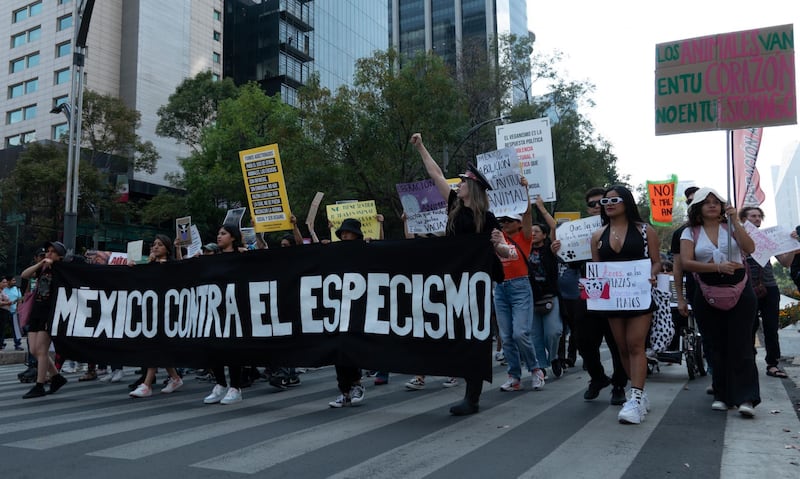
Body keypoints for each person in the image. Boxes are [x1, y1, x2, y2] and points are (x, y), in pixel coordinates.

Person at [411, 132, 508, 416]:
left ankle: (472, 397)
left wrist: (498, 245)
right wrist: (421, 146)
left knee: (474, 338)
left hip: (475, 286)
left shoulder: (488, 219)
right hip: (451, 281)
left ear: (473, 187)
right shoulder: (453, 205)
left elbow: (502, 251)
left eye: (463, 181)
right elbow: (435, 173)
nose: (458, 184)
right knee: (453, 333)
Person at [680, 187, 759, 417]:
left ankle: (748, 397)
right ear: (698, 207)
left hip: (740, 289)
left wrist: (736, 220)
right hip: (706, 290)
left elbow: (750, 248)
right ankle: (722, 395)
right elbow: (686, 262)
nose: (713, 205)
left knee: (742, 343)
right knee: (715, 344)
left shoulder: (731, 227)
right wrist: (716, 267)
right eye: (707, 202)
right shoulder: (690, 232)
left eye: (717, 202)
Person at [590, 185, 660, 424]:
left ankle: (636, 398)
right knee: (621, 348)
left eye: (615, 200)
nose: (608, 204)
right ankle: (638, 394)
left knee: (635, 345)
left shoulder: (644, 230)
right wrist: (591, 289)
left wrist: (652, 274)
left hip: (640, 295)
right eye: (605, 202)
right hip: (613, 299)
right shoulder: (598, 236)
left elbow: (656, 262)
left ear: (626, 202)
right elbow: (597, 271)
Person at [552, 188, 627, 405]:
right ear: (587, 208)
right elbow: (572, 262)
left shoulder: (620, 227)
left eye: (600, 202)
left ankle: (619, 385)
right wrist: (559, 250)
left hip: (618, 288)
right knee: (583, 338)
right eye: (592, 204)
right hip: (591, 288)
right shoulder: (578, 231)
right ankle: (598, 377)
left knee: (616, 341)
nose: (597, 207)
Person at [493, 190, 545, 392]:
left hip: (520, 287)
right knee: (505, 336)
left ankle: (535, 369)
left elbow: (528, 212)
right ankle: (514, 376)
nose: (504, 223)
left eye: (508, 220)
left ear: (519, 223)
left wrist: (524, 191)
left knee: (520, 333)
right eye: (502, 220)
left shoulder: (525, 236)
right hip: (501, 288)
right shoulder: (497, 235)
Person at [739, 206, 796, 380]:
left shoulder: (768, 238)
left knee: (771, 327)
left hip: (769, 287)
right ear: (743, 219)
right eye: (752, 216)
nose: (756, 219)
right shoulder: (737, 238)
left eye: (758, 216)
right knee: (749, 327)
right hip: (746, 288)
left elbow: (785, 263)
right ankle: (748, 363)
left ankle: (773, 364)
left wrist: (793, 245)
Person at [129, 234, 185, 398]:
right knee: (159, 346)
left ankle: (146, 385)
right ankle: (175, 378)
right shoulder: (149, 264)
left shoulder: (171, 265)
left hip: (168, 311)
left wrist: (179, 248)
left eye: (159, 245)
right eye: (154, 244)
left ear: (167, 249)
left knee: (156, 345)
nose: (155, 247)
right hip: (152, 310)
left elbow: (183, 268)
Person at [20, 241, 69, 399]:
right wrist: (41, 263)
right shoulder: (42, 268)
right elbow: (24, 275)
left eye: (53, 252)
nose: (48, 254)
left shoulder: (61, 271)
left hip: (49, 313)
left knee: (41, 350)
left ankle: (39, 385)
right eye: (47, 251)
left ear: (60, 256)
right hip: (36, 311)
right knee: (34, 350)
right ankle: (56, 377)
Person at [328, 218, 368, 408]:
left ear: (356, 235)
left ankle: (357, 384)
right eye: (342, 232)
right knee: (338, 349)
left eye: (348, 232)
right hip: (337, 306)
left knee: (351, 346)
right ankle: (344, 391)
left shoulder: (364, 250)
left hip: (357, 305)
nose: (344, 234)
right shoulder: (335, 252)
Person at [204, 224, 246, 405]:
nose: (219, 237)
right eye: (218, 233)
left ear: (233, 237)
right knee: (214, 348)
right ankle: (220, 384)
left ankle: (235, 388)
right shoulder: (213, 259)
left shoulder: (241, 256)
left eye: (223, 234)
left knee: (233, 349)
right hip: (216, 309)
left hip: (235, 310)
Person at [528, 196, 563, 380]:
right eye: (530, 231)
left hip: (551, 296)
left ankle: (554, 355)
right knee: (536, 336)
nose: (532, 233)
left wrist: (541, 208)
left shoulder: (550, 248)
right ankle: (542, 367)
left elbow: (554, 226)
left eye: (536, 231)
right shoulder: (524, 249)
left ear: (543, 235)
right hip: (531, 298)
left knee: (554, 331)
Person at [3, 275, 24, 351]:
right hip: (4, 311)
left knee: (16, 329)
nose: (15, 282)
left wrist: (19, 307)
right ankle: (1, 344)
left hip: (14, 311)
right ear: (8, 281)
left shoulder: (17, 289)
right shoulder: (3, 289)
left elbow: (20, 299)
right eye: (13, 281)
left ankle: (17, 344)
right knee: (2, 328)